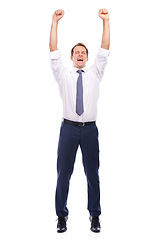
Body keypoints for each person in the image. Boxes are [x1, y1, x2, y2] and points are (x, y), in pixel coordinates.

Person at [49, 8, 110, 233]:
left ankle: (95, 216)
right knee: (63, 174)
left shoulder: (95, 72)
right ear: (72, 57)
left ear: (87, 56)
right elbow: (53, 50)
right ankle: (61, 216)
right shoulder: (63, 74)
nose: (81, 54)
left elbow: (104, 50)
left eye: (84, 51)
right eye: (77, 52)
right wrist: (54, 22)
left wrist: (106, 21)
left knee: (92, 174)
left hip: (89, 131)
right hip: (69, 130)